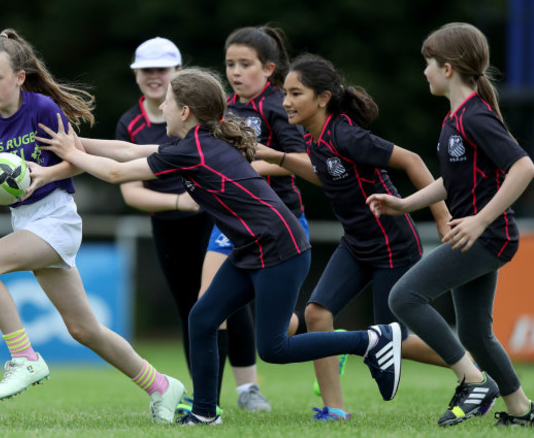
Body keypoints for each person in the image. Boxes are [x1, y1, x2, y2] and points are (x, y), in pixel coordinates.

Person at [36, 66, 404, 426]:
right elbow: (127, 150)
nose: (160, 108)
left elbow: (117, 172)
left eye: (166, 102)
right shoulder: (196, 141)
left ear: (185, 112)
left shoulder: (194, 148)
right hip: (253, 249)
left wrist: (72, 152)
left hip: (280, 250)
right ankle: (205, 413)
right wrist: (74, 145)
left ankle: (370, 339)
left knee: (273, 349)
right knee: (203, 318)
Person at [0, 29, 185, 423]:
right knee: (83, 328)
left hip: (57, 217)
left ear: (20, 77)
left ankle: (25, 358)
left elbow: (77, 158)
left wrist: (45, 174)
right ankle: (161, 385)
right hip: (26, 221)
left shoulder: (41, 108)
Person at [255, 53, 452, 421]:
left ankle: (476, 372)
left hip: (393, 244)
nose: (285, 102)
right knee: (316, 313)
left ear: (323, 98)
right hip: (357, 244)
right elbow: (323, 173)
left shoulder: (346, 133)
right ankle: (334, 410)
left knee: (396, 339)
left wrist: (442, 219)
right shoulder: (314, 137)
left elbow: (412, 160)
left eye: (295, 93)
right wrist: (274, 158)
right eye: (284, 93)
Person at [367, 22, 534, 427]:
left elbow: (523, 166)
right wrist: (405, 203)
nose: (423, 72)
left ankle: (473, 381)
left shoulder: (476, 116)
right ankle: (521, 411)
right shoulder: (454, 120)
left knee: (404, 297)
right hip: (477, 236)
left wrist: (480, 219)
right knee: (475, 334)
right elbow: (453, 181)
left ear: (447, 69)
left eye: (428, 63)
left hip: (486, 236)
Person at [194, 25, 310, 412]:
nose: (236, 72)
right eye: (230, 64)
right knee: (207, 309)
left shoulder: (279, 107)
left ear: (269, 68)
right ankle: (210, 401)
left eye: (245, 64)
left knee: (275, 328)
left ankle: (316, 335)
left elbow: (301, 165)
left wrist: (251, 169)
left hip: (279, 223)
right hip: (231, 224)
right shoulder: (223, 108)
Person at [114, 37, 214, 380]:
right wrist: (179, 202)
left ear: (179, 72)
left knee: (229, 306)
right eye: (145, 70)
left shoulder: (197, 115)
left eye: (161, 69)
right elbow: (131, 190)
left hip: (212, 221)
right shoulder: (130, 123)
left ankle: (247, 388)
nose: (153, 76)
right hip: (168, 227)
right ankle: (206, 396)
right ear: (136, 75)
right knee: (190, 310)